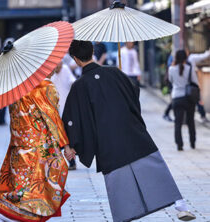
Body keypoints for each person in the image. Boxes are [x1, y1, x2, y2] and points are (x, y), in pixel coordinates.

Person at [63, 40, 196, 222]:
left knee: (118, 181)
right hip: (131, 129)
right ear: (93, 51)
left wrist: (70, 145)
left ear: (76, 59)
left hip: (107, 139)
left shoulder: (79, 86)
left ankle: (125, 216)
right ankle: (181, 206)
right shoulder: (115, 72)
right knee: (154, 166)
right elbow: (134, 92)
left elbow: (73, 119)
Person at [0, 72, 71, 222]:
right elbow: (53, 117)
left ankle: (9, 215)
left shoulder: (16, 86)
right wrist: (65, 143)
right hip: (37, 145)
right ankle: (1, 214)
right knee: (36, 184)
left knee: (20, 182)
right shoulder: (44, 86)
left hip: (18, 142)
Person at [163, 48, 210, 123]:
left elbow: (171, 81)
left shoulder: (172, 67)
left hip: (177, 94)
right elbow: (204, 56)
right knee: (191, 119)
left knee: (178, 122)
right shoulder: (190, 63)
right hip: (189, 91)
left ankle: (166, 113)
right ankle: (203, 115)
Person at [169, 50, 198, 151]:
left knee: (178, 122)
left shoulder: (171, 69)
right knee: (191, 121)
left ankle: (179, 145)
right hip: (188, 98)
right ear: (186, 58)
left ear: (176, 58)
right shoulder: (189, 69)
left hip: (176, 97)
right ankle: (192, 142)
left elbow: (171, 81)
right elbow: (195, 82)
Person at [51, 61, 77, 170]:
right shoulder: (50, 74)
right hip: (54, 109)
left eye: (58, 64)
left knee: (66, 137)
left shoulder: (65, 69)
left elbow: (73, 82)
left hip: (66, 107)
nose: (57, 66)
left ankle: (71, 162)